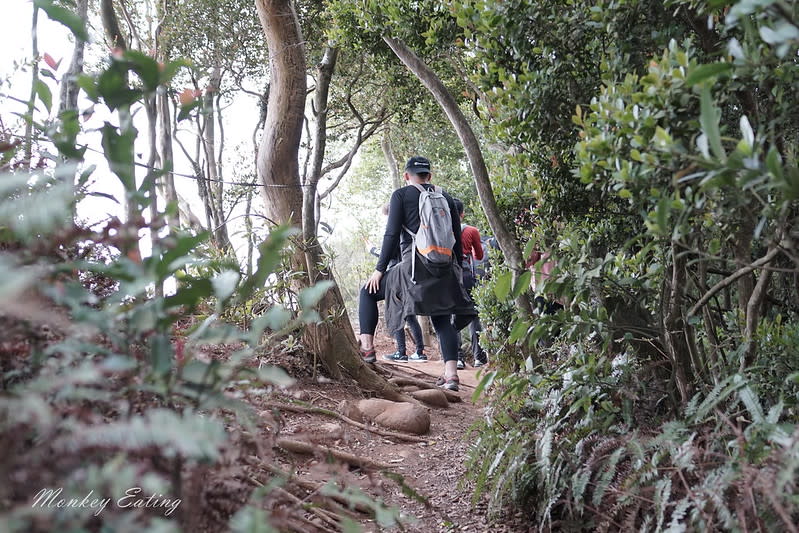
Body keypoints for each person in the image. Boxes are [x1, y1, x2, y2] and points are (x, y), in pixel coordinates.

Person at [358, 156, 475, 391]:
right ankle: (451, 376)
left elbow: (391, 235)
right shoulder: (447, 198)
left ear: (406, 176)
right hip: (445, 269)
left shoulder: (401, 195)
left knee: (367, 292)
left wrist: (379, 269)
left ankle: (367, 350)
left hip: (413, 269)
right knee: (442, 318)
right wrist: (457, 272)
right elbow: (455, 236)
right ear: (429, 176)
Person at [371, 204, 427, 363]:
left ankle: (401, 352)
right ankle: (419, 352)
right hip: (408, 276)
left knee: (397, 313)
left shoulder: (395, 230)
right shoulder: (409, 229)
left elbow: (387, 254)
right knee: (409, 316)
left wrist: (372, 250)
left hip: (396, 277)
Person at [452, 198, 488, 369]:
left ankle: (457, 358)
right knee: (473, 314)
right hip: (466, 275)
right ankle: (478, 356)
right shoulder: (471, 230)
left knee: (453, 314)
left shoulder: (443, 229)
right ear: (463, 213)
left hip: (448, 276)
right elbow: (479, 256)